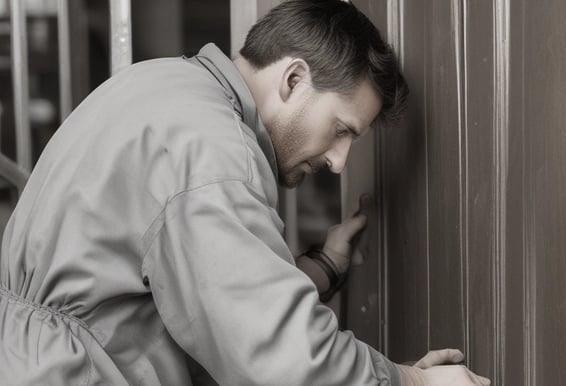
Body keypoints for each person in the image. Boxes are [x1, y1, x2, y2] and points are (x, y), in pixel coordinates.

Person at [0, 1, 490, 385]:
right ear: (294, 79)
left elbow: (196, 298)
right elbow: (278, 357)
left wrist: (324, 265)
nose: (340, 162)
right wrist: (412, 380)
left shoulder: (162, 84)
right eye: (341, 129)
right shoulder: (214, 151)